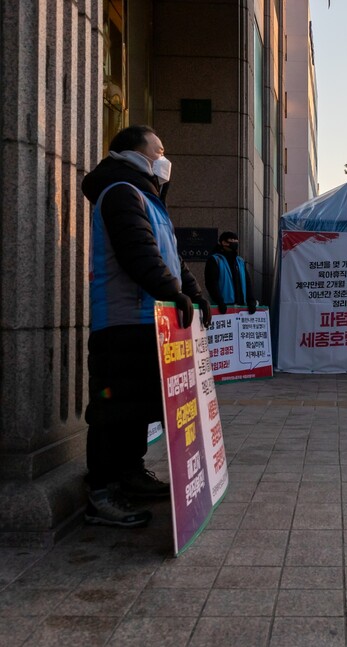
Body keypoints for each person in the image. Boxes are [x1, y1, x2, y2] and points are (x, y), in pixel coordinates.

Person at [82, 125, 212, 527]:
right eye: (159, 150)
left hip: (149, 322)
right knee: (114, 407)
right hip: (122, 320)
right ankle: (101, 493)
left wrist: (193, 293)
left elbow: (171, 259)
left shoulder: (149, 200)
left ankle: (130, 473)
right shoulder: (121, 193)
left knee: (137, 407)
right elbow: (137, 254)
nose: (163, 158)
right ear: (135, 154)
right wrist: (171, 293)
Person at [205, 231, 257, 315]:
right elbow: (211, 283)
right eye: (232, 240)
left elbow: (247, 283)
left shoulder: (240, 261)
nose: (235, 242)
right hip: (223, 307)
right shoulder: (215, 260)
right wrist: (219, 301)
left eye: (236, 240)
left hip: (241, 308)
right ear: (223, 242)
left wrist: (251, 301)